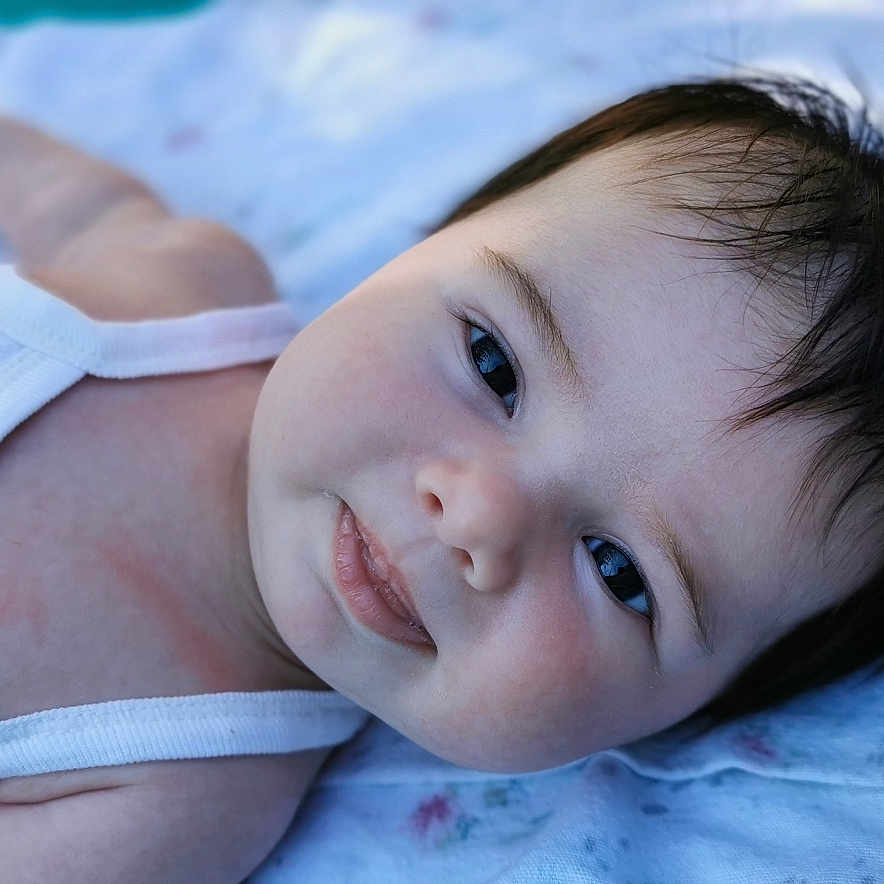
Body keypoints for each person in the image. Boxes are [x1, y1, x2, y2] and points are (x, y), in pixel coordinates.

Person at [0, 73, 881, 882]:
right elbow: (50, 188)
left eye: (621, 573)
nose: (479, 516)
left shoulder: (170, 800)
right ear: (423, 250)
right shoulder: (183, 289)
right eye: (494, 365)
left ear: (690, 714)